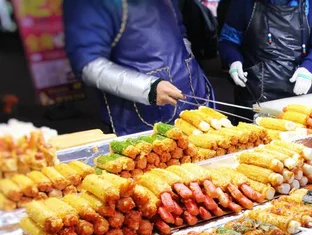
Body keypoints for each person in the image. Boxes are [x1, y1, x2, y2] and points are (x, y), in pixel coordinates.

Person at [63, 0, 214, 136]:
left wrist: (190, 64)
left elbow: (180, 31)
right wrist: (148, 88)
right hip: (142, 111)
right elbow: (88, 65)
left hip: (193, 93)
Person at [218, 0, 312, 110]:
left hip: (299, 88)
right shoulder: (244, 3)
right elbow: (228, 40)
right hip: (254, 91)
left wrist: (308, 68)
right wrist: (233, 60)